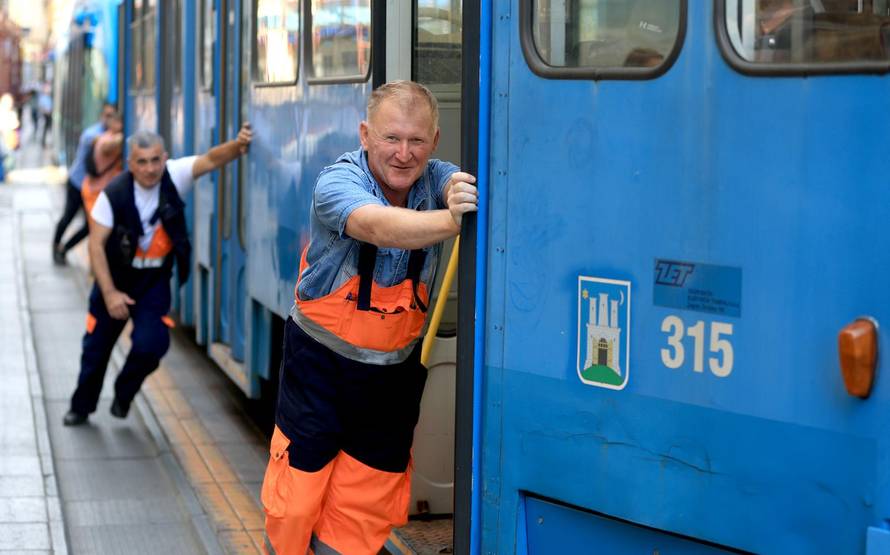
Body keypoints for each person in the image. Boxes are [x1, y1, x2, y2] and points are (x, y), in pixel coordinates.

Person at [261, 80, 478, 555]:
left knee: (360, 518)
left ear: (434, 142)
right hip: (319, 371)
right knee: (296, 504)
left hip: (389, 383)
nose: (404, 153)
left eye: (417, 140)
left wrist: (458, 189)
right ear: (364, 134)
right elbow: (378, 226)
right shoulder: (335, 183)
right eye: (391, 138)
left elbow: (452, 180)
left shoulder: (437, 177)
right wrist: (453, 221)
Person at [62, 123, 253, 426]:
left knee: (153, 344)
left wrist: (238, 144)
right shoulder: (113, 194)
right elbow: (96, 246)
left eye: (155, 160)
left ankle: (124, 394)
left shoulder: (174, 175)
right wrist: (110, 294)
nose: (150, 169)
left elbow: (212, 159)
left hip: (153, 282)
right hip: (115, 278)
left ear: (164, 158)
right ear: (130, 164)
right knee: (95, 350)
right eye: (142, 162)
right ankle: (81, 407)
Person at [52, 102, 117, 266]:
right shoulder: (94, 133)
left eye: (112, 115)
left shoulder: (109, 134)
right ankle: (55, 246)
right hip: (76, 183)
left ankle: (64, 248)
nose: (109, 119)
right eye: (107, 115)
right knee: (68, 217)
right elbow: (100, 143)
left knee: (90, 226)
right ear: (102, 116)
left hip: (91, 188)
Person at [81, 112, 123, 217]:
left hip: (95, 190)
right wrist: (125, 135)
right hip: (96, 192)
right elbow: (107, 147)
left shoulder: (106, 135)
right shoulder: (108, 139)